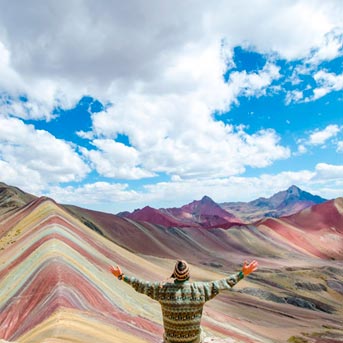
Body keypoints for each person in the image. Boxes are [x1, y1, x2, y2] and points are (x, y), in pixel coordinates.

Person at [109, 259, 258, 343]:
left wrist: (121, 276)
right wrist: (242, 274)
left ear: (174, 275)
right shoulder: (200, 290)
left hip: (171, 341)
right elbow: (222, 284)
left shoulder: (162, 290)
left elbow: (141, 285)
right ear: (188, 275)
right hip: (194, 341)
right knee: (204, 335)